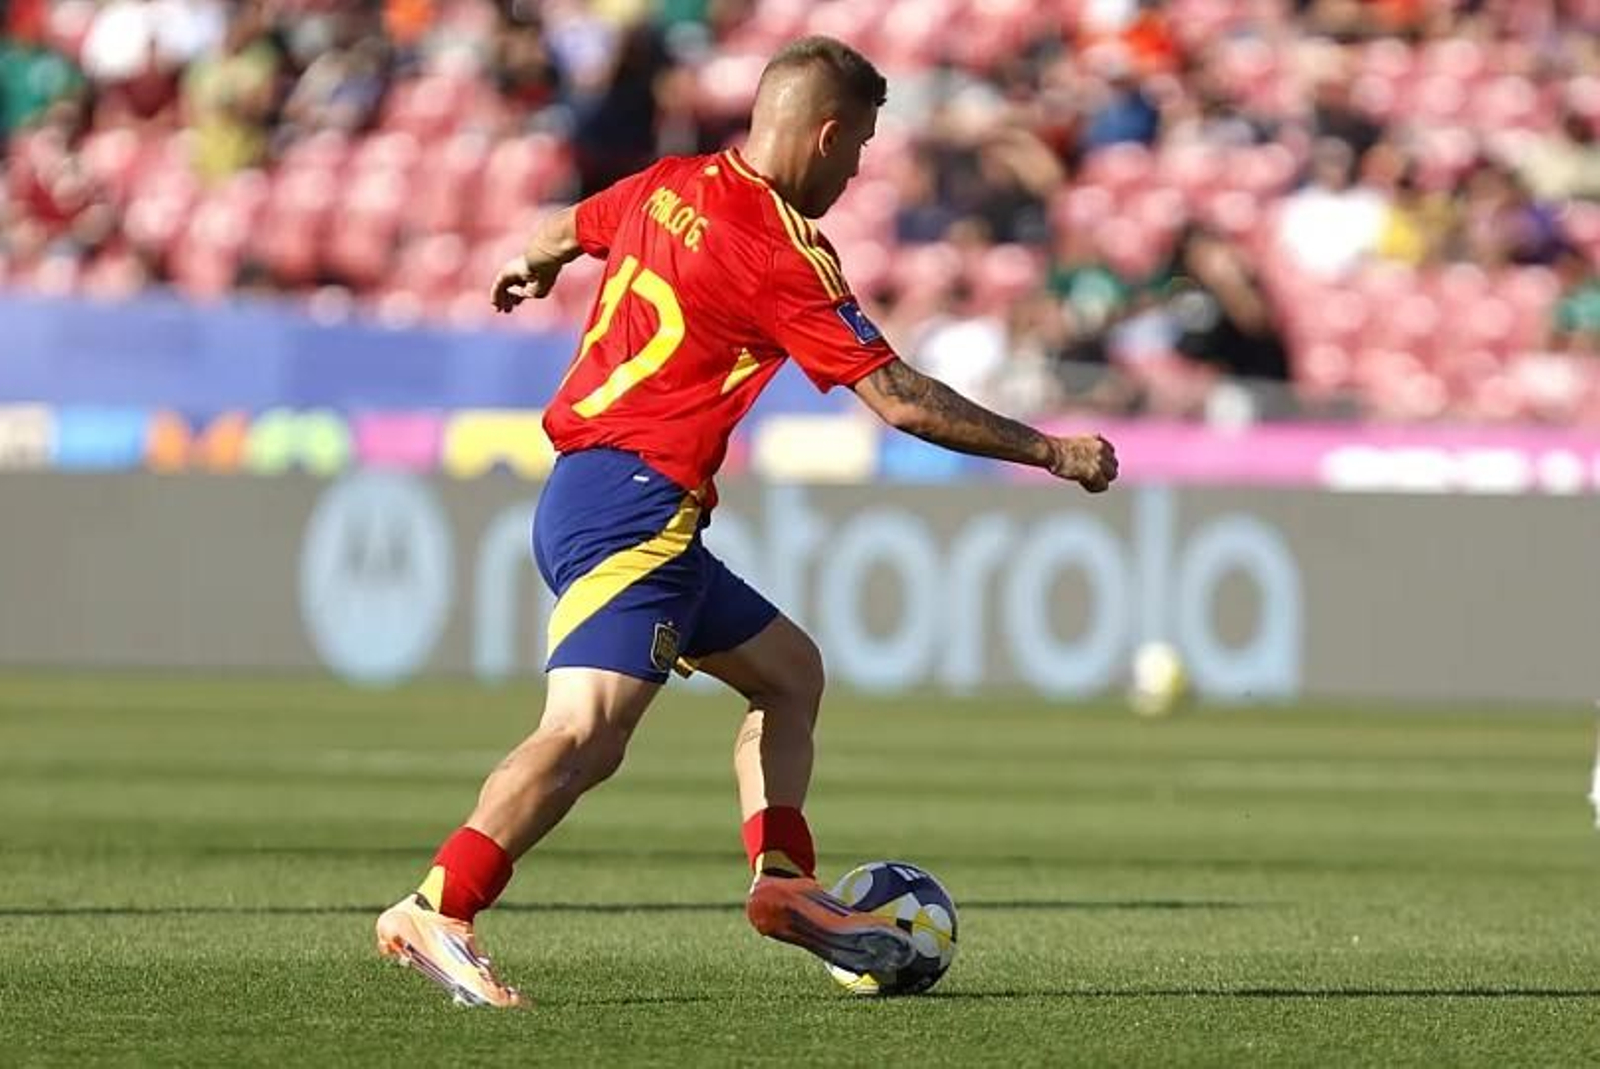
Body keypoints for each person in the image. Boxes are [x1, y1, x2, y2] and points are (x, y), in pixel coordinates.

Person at [374, 35, 1119, 1009]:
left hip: (620, 498)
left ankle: (783, 879)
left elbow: (572, 226)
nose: (854, 172)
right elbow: (898, 398)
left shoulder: (668, 181)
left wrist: (528, 263)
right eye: (855, 150)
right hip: (628, 504)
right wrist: (1051, 452)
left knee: (788, 672)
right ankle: (438, 904)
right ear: (824, 134)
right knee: (589, 731)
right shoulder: (782, 247)